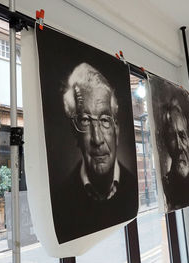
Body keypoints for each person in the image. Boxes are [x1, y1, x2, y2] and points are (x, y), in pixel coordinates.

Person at [53, 63, 137, 244]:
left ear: (117, 130)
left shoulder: (134, 189)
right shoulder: (60, 201)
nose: (97, 139)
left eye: (105, 120)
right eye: (84, 120)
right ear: (75, 133)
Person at [161, 98, 189, 211]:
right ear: (166, 143)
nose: (179, 146)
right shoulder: (166, 186)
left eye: (182, 135)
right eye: (172, 137)